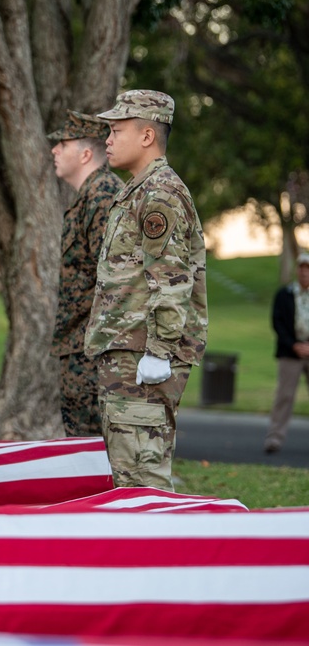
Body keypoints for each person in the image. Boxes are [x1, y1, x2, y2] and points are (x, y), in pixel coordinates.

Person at [84, 89, 207, 490]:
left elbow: (172, 280)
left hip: (143, 356)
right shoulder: (139, 189)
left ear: (147, 136)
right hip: (127, 353)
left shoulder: (160, 194)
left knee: (144, 478)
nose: (108, 140)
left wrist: (159, 353)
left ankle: (161, 552)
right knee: (129, 475)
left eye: (117, 130)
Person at [47, 110, 123, 437]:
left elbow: (114, 279)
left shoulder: (103, 195)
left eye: (62, 143)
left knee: (94, 452)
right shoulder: (90, 195)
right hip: (81, 348)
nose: (54, 150)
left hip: (94, 354)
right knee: (84, 449)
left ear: (86, 153)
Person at [264, 252, 309, 453]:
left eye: (308, 269)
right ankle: (274, 438)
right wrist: (293, 345)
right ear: (297, 270)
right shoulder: (285, 294)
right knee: (284, 396)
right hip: (290, 351)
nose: (305, 272)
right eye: (302, 268)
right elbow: (277, 322)